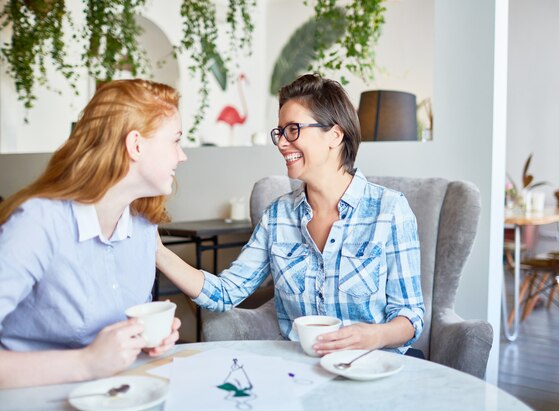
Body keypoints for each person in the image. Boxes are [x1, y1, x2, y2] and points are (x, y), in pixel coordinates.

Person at [157, 74, 424, 355]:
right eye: (280, 132)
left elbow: (411, 316)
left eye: (293, 130)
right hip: (299, 372)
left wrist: (375, 336)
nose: (282, 143)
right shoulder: (278, 217)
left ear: (335, 134)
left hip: (372, 369)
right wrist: (158, 251)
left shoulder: (390, 210)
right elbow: (225, 292)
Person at [0, 79, 186, 388]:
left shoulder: (142, 224)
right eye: (176, 141)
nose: (182, 156)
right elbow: (91, 358)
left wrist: (141, 338)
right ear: (136, 145)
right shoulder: (37, 223)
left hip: (115, 396)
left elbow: (111, 335)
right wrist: (86, 363)